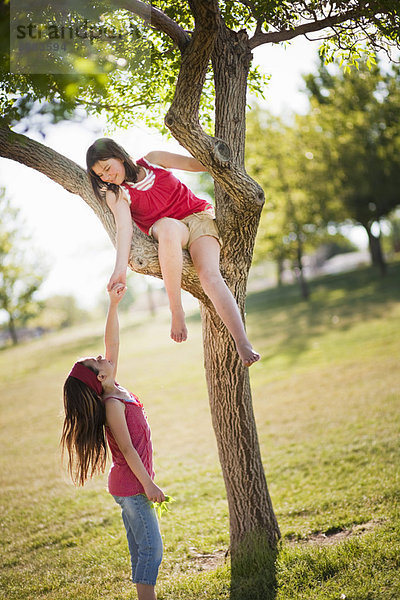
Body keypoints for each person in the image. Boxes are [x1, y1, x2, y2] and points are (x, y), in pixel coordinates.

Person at [86, 137, 260, 367]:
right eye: (101, 175)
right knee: (167, 226)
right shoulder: (117, 193)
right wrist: (119, 271)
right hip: (169, 230)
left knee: (209, 275)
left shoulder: (154, 160)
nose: (106, 177)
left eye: (107, 169)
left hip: (198, 218)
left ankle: (242, 342)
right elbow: (123, 229)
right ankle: (176, 310)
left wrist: (222, 154)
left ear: (119, 156)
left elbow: (192, 164)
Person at [61, 284, 164, 600]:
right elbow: (129, 450)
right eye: (96, 361)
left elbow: (112, 340)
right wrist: (149, 485)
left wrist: (113, 305)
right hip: (132, 487)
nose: (102, 356)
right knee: (151, 549)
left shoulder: (113, 387)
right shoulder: (112, 406)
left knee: (141, 546)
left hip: (128, 485)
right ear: (100, 378)